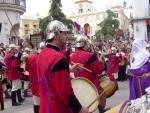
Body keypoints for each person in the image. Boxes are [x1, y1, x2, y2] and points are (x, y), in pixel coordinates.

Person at [36, 20, 89, 113]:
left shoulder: (41, 54)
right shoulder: (58, 58)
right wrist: (79, 109)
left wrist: (68, 70)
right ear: (56, 35)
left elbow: (49, 76)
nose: (66, 36)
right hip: (58, 108)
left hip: (45, 107)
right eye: (64, 33)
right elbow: (65, 91)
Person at [70, 34, 106, 112]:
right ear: (85, 44)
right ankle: (101, 110)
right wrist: (100, 60)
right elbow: (99, 70)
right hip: (91, 85)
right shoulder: (90, 55)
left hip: (79, 86)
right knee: (102, 92)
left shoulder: (71, 56)